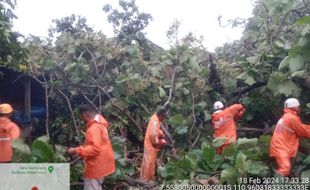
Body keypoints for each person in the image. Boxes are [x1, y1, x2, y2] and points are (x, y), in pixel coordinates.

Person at [68, 105, 115, 190]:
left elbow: (94, 149)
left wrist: (75, 150)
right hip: (103, 164)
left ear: (85, 115)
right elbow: (96, 145)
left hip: (95, 167)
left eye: (82, 117)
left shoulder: (93, 129)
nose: (82, 120)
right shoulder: (100, 124)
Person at [270, 98, 310, 177]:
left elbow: (301, 127)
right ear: (295, 107)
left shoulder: (286, 117)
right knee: (285, 168)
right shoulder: (292, 118)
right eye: (298, 107)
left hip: (279, 146)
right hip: (281, 147)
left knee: (286, 169)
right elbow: (303, 131)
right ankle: (276, 186)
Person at [140, 108, 167, 181]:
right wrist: (158, 142)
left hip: (152, 144)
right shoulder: (154, 121)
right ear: (161, 115)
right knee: (148, 162)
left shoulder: (156, 120)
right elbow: (152, 134)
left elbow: (156, 130)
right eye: (163, 117)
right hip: (150, 144)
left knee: (152, 162)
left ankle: (150, 178)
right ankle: (144, 180)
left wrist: (161, 134)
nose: (163, 119)